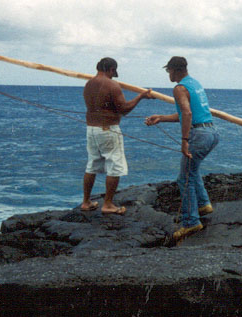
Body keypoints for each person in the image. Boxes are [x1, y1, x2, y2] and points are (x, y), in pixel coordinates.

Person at [144, 56, 219, 241]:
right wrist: (161, 118)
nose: (168, 74)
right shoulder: (194, 84)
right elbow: (187, 113)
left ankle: (191, 222)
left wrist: (185, 140)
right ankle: (203, 205)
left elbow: (187, 113)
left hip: (198, 135)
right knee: (192, 170)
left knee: (184, 178)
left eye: (168, 70)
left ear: (174, 70)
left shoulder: (179, 88)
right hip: (211, 132)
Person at [81, 57, 152, 214]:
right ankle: (108, 204)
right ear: (112, 69)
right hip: (108, 130)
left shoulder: (88, 84)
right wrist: (141, 96)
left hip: (91, 129)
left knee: (92, 164)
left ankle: (86, 202)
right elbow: (124, 109)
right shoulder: (112, 85)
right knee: (115, 166)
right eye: (114, 72)